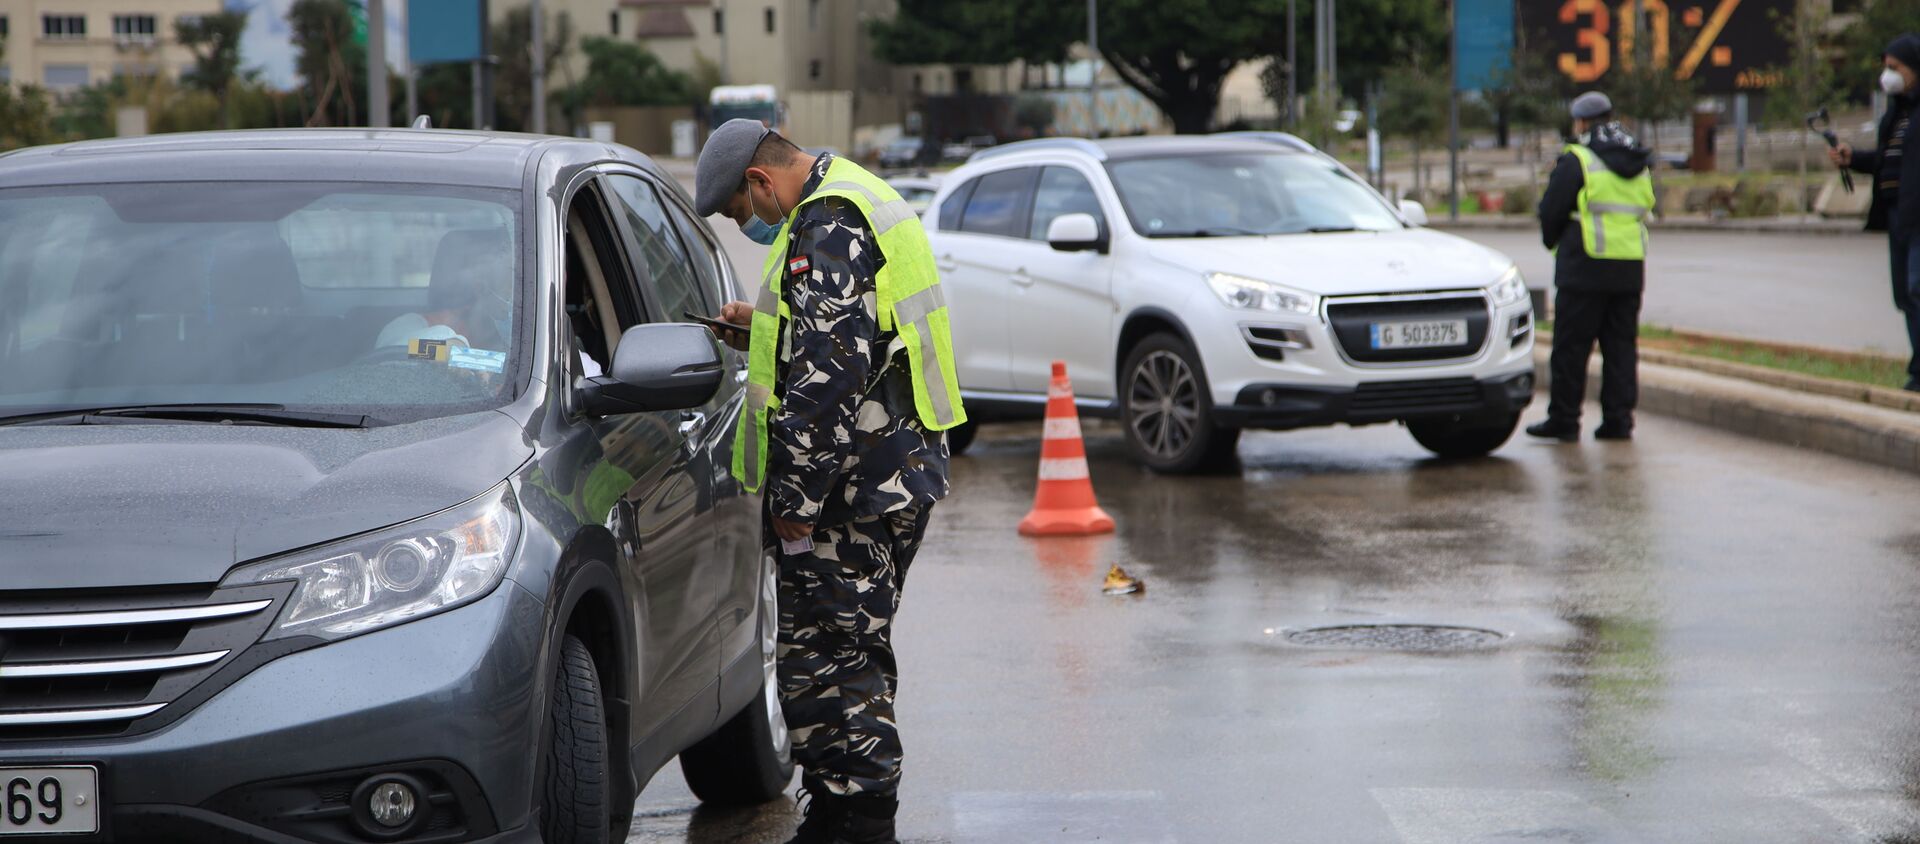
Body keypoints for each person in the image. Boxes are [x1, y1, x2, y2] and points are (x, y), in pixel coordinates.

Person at [692, 119, 967, 844]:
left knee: (843, 655)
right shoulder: (851, 192)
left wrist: (794, 501)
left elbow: (826, 384)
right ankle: (839, 810)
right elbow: (845, 333)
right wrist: (760, 327)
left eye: (740, 213)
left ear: (759, 180)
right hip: (884, 470)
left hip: (857, 486)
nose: (746, 225)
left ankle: (865, 822)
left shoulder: (830, 223)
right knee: (823, 653)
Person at [1527, 91, 1655, 442]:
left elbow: (1551, 211)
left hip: (1584, 267)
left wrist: (1555, 243)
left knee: (1571, 349)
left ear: (1582, 122)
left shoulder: (1578, 159)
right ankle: (1619, 421)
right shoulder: (1637, 156)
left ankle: (1564, 420)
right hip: (1628, 266)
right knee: (1621, 348)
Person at [1831, 34, 1920, 392]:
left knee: (1917, 288)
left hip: (1918, 219)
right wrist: (1854, 159)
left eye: (1894, 68)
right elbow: (1888, 161)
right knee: (1903, 295)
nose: (1888, 75)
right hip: (1897, 216)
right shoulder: (1895, 115)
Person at [373, 229, 514, 352]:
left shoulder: (529, 346)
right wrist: (447, 350)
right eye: (510, 293)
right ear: (481, 288)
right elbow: (393, 351)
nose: (521, 304)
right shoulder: (416, 324)